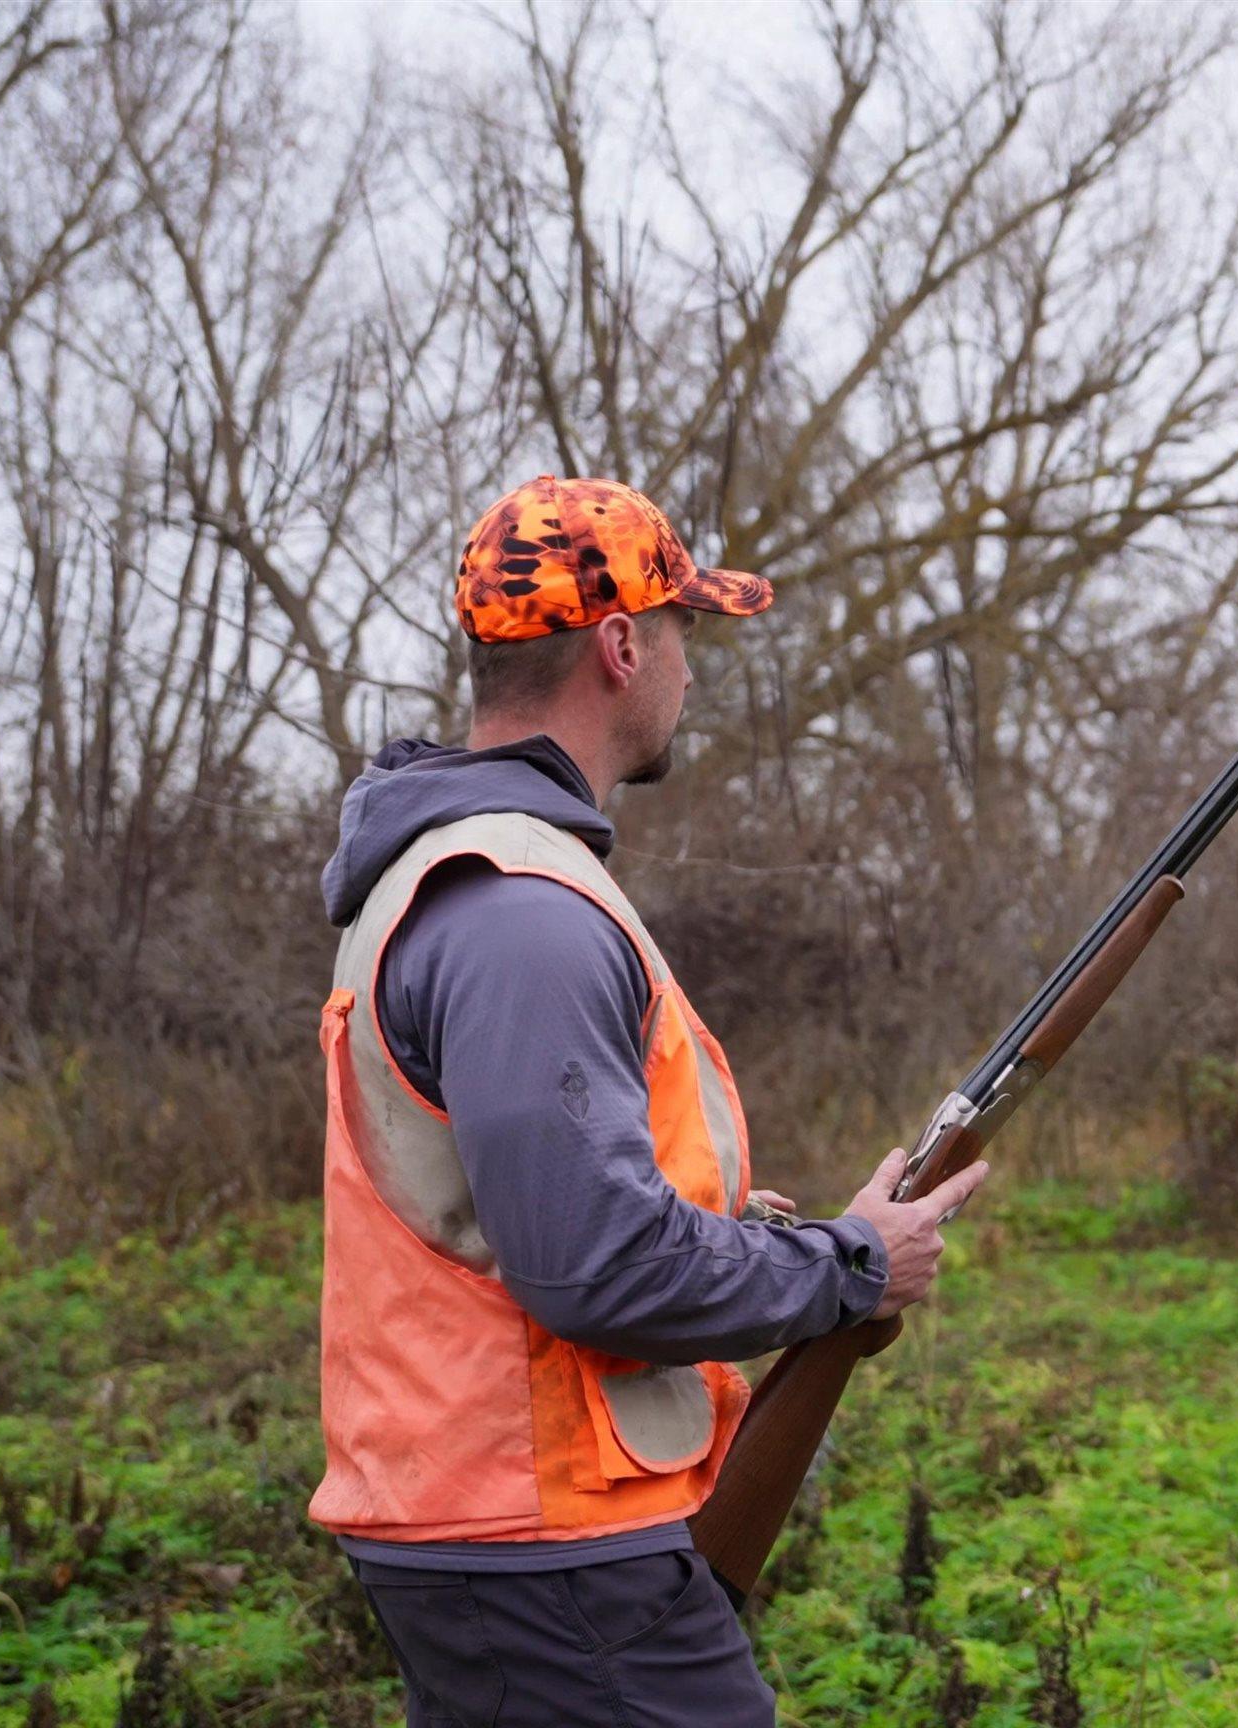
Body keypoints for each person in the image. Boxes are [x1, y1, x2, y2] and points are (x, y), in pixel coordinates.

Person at [308, 474, 990, 1724]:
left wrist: (749, 1231)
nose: (691, 670)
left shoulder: (468, 880)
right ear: (622, 647)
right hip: (542, 1543)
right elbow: (593, 1267)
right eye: (683, 633)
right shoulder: (522, 913)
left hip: (490, 1523)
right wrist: (851, 1267)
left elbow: (518, 1209)